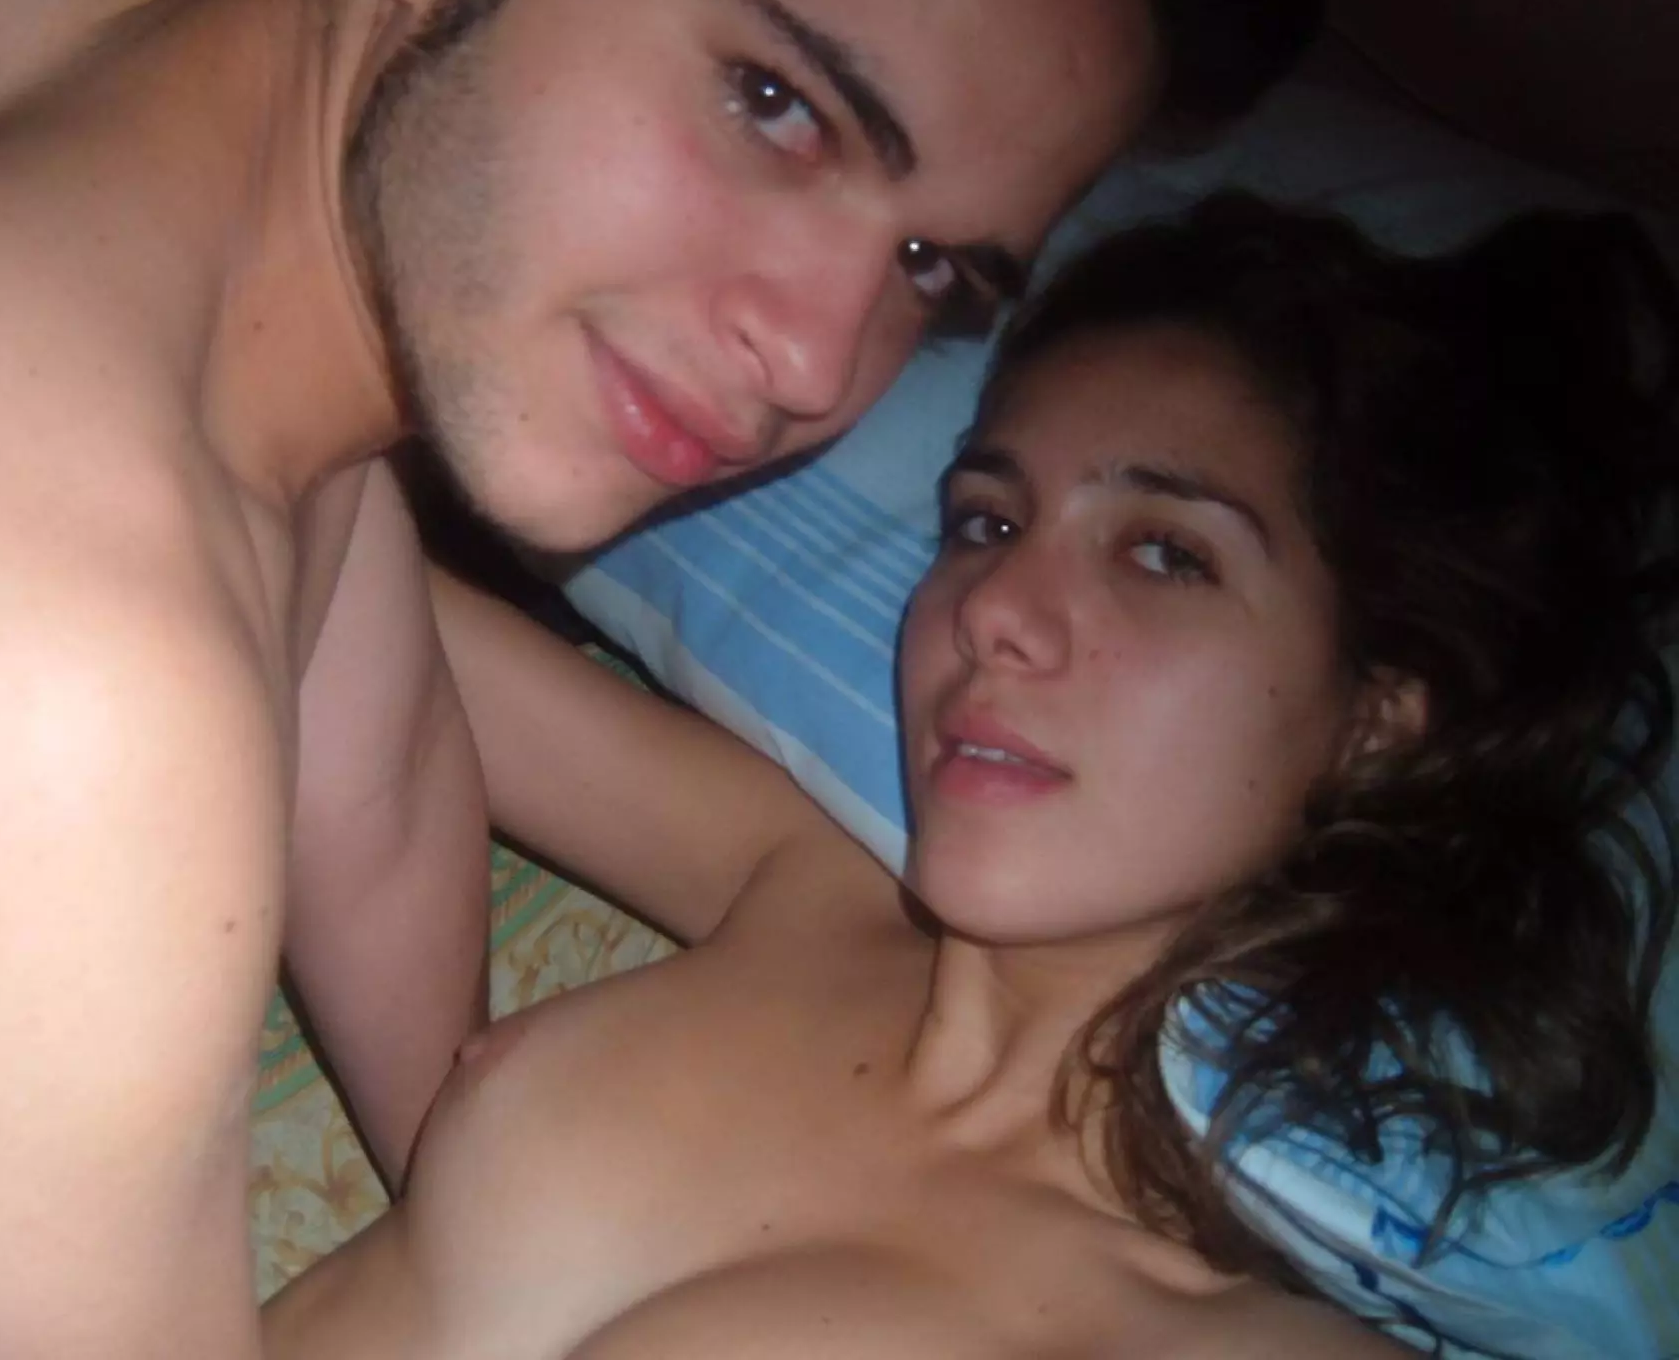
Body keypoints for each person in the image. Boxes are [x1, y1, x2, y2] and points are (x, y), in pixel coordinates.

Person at [0, 0, 1325, 1357]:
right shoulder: (39, 679)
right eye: (777, 103)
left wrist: (495, 1166)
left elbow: (373, 769)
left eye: (927, 267)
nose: (817, 362)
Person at [250, 195, 1679, 1357]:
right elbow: (293, 535)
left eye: (1164, 554)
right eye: (987, 523)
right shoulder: (808, 885)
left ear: (1373, 719)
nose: (995, 610)